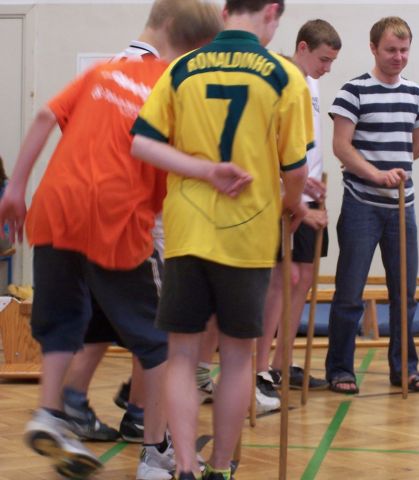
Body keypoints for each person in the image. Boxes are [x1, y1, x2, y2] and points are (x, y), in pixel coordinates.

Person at [0, 2, 222, 479]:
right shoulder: (172, 87)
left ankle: (50, 413)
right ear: (192, 46)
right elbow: (167, 162)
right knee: (164, 343)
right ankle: (156, 452)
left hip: (55, 206)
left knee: (64, 321)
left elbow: (43, 116)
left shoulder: (103, 72)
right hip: (115, 216)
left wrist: (15, 188)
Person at [129, 0, 312, 478]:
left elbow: (142, 142)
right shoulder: (284, 76)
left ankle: (185, 467)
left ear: (227, 10)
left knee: (182, 357)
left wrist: (203, 171)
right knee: (235, 359)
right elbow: (295, 169)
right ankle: (221, 467)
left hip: (188, 232)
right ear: (271, 11)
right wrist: (294, 203)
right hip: (247, 235)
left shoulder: (181, 68)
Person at [325, 16, 419, 394]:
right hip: (361, 205)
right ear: (373, 48)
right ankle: (340, 369)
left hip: (402, 207)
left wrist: (392, 173)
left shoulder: (416, 94)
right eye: (390, 50)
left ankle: (405, 368)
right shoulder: (353, 91)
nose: (398, 57)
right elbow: (341, 146)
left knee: (404, 294)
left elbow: (416, 147)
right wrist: (375, 173)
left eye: (404, 50)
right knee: (349, 293)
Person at [254, 18, 341, 413]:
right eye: (323, 59)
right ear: (302, 47)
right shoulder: (282, 79)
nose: (327, 68)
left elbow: (310, 143)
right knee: (279, 279)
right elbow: (274, 142)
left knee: (302, 278)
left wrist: (313, 185)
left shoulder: (313, 83)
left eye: (332, 61)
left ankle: (281, 364)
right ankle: (259, 369)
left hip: (309, 189)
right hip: (284, 194)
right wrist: (294, 191)